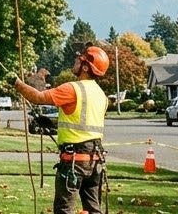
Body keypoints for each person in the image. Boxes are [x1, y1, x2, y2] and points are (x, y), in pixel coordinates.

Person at [13, 46, 109, 214]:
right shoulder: (101, 94)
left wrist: (16, 83)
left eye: (79, 60)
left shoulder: (73, 88)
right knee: (94, 210)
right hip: (95, 161)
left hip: (74, 161)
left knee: (64, 210)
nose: (75, 61)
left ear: (85, 67)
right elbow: (81, 122)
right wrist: (51, 124)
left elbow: (38, 97)